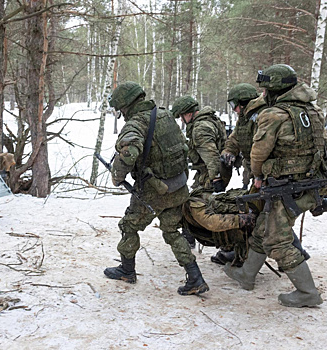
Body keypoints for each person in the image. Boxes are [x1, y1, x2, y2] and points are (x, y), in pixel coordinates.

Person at [224, 64, 327, 308]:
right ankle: (246, 275)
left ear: (273, 91)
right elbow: (324, 147)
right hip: (309, 182)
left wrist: (259, 176)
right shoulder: (314, 111)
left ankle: (308, 292)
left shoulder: (274, 114)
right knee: (264, 228)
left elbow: (259, 153)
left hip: (285, 185)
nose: (263, 95)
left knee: (277, 240)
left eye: (265, 90)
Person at [104, 81, 209, 296]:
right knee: (171, 231)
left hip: (153, 192)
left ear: (126, 105)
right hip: (177, 185)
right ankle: (195, 278)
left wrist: (117, 176)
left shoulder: (135, 124)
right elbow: (182, 146)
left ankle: (126, 270)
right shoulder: (164, 115)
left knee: (129, 226)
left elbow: (128, 154)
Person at [171, 96, 227, 192]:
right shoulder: (210, 119)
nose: (181, 120)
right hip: (214, 170)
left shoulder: (200, 128)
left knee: (197, 203)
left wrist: (216, 179)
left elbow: (211, 155)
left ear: (188, 114)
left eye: (181, 116)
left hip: (210, 174)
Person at [220, 83, 266, 190]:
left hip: (265, 173)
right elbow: (235, 137)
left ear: (242, 102)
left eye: (233, 105)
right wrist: (228, 152)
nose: (233, 109)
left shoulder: (262, 115)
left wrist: (259, 176)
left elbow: (262, 147)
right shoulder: (244, 118)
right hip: (254, 171)